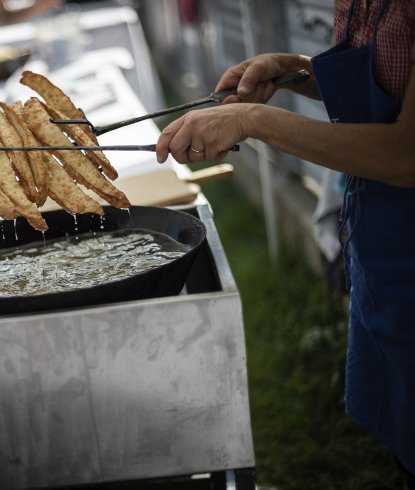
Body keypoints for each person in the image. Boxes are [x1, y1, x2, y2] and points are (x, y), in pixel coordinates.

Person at [156, 0, 414, 485]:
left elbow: (407, 152)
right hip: (383, 239)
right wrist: (296, 70)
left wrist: (254, 121)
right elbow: (389, 77)